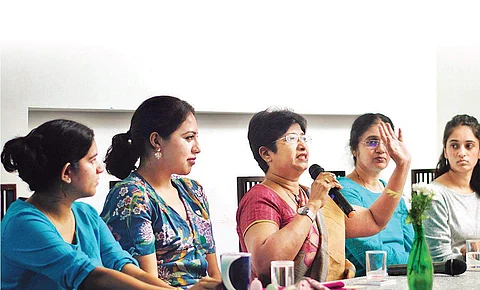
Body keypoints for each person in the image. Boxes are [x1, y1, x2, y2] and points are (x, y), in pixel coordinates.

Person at [1, 119, 209, 290]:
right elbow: (90, 276)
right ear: (67, 173)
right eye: (92, 161)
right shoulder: (24, 224)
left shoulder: (86, 214)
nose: (100, 168)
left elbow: (122, 265)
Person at [236, 108, 411, 285]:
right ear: (266, 154)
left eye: (303, 138)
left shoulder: (306, 195)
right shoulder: (260, 198)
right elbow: (266, 264)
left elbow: (375, 220)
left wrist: (402, 166)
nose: (302, 145)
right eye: (291, 139)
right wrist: (312, 206)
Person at [100, 96, 221, 288]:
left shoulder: (193, 191)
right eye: (189, 137)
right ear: (156, 141)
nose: (197, 148)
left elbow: (214, 274)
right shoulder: (132, 196)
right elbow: (147, 284)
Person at [337, 113, 414, 276]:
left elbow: (414, 246)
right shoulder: (343, 190)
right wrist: (409, 264)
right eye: (372, 142)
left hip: (403, 277)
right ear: (354, 149)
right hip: (366, 281)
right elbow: (373, 258)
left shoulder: (391, 189)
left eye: (387, 143)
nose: (381, 149)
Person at [424, 114, 480, 262]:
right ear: (445, 151)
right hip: (452, 279)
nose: (462, 153)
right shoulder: (434, 194)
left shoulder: (477, 190)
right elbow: (439, 258)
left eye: (469, 146)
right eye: (454, 146)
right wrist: (471, 254)